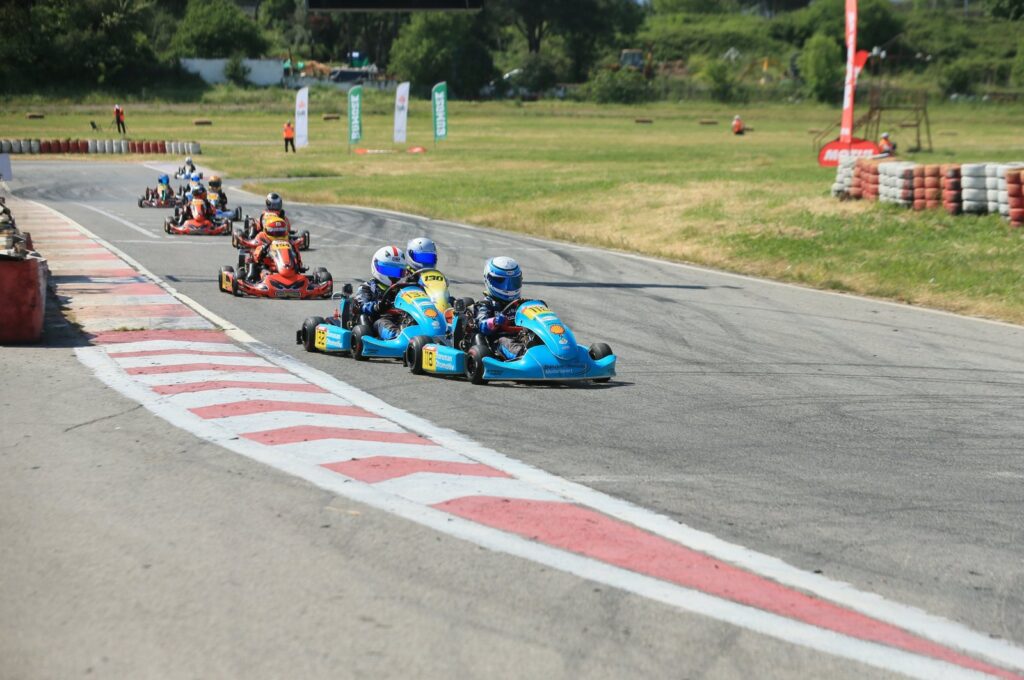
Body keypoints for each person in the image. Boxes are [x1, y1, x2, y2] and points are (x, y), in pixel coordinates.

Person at [474, 256, 528, 360]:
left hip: (522, 336)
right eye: (502, 282)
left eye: (513, 282)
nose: (508, 287)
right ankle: (523, 357)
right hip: (498, 340)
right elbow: (480, 324)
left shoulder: (522, 304)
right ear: (489, 279)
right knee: (507, 342)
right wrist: (494, 321)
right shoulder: (486, 304)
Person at [353, 246, 410, 340]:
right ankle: (396, 337)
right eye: (389, 270)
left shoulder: (404, 289)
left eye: (397, 272)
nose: (392, 275)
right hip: (377, 321)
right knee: (383, 323)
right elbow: (361, 306)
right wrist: (377, 306)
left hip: (401, 319)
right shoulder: (368, 287)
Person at [248, 215, 303, 280]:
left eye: (280, 230)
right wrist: (263, 249)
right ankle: (264, 278)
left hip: (286, 268)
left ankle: (293, 274)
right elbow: (256, 257)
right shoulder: (262, 238)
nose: (277, 233)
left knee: (294, 250)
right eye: (274, 230)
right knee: (264, 274)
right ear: (266, 229)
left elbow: (297, 255)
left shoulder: (288, 242)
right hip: (267, 268)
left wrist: (299, 265)